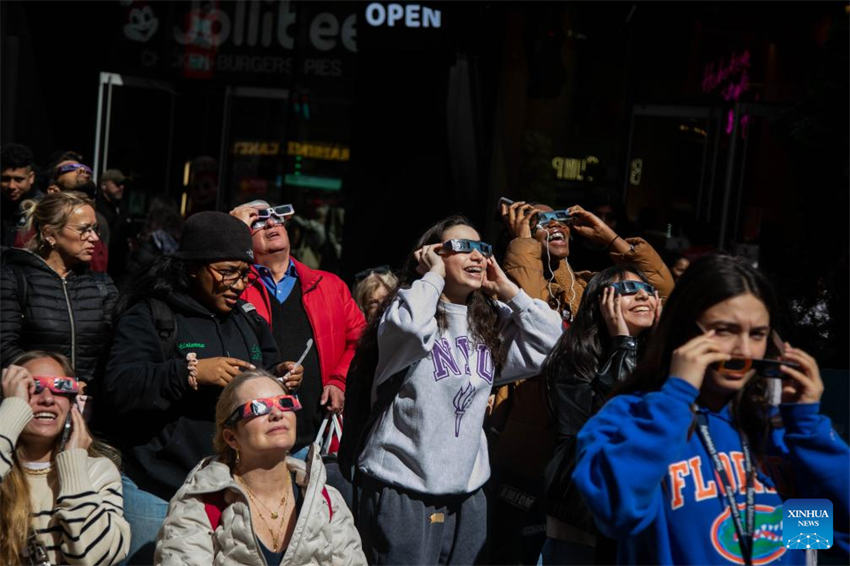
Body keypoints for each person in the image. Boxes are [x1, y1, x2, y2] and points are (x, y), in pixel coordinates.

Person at [573, 254, 850, 565]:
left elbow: (831, 538)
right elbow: (617, 511)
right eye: (724, 330)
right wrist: (676, 396)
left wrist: (809, 429)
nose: (744, 350)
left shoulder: (778, 432)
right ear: (684, 331)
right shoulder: (632, 415)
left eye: (756, 334)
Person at [353, 215, 562, 565]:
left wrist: (509, 290)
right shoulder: (407, 313)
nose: (477, 256)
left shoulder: (489, 326)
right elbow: (409, 327)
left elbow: (553, 342)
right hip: (403, 486)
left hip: (468, 490)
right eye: (462, 247)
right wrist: (431, 276)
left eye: (482, 249)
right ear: (432, 253)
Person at [99, 211, 302, 564]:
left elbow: (265, 374)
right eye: (227, 272)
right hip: (158, 489)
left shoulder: (248, 320)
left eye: (245, 274)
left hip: (225, 493)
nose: (238, 284)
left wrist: (278, 378)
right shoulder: (151, 315)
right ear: (192, 267)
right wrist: (189, 373)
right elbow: (120, 387)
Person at [486, 200, 674, 564]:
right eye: (541, 220)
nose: (555, 224)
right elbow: (534, 318)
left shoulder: (592, 285)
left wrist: (612, 240)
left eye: (561, 219)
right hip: (531, 451)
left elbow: (659, 292)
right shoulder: (507, 283)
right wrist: (525, 241)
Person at [156, 369, 366, 565]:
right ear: (231, 437)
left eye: (285, 402)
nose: (277, 413)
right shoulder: (199, 504)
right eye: (258, 407)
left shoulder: (325, 499)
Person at [541, 266, 661, 565]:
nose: (643, 295)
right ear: (601, 302)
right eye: (628, 290)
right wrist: (623, 344)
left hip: (643, 523)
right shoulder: (574, 359)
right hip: (585, 526)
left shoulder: (667, 363)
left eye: (647, 289)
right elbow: (608, 429)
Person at [230, 200, 366, 460]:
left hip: (314, 440)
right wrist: (231, 230)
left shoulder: (329, 285)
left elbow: (361, 340)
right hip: (251, 439)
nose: (271, 223)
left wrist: (339, 380)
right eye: (257, 220)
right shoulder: (232, 287)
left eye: (276, 217)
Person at [0, 350, 130, 565]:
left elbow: (92, 558)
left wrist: (74, 469)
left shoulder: (95, 470)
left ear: (72, 404)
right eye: (33, 387)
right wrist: (13, 411)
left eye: (61, 388)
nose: (48, 399)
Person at [1, 191, 118, 388]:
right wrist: (58, 385)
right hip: (34, 399)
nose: (95, 238)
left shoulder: (101, 285)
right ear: (49, 234)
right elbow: (4, 348)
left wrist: (92, 386)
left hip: (88, 403)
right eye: (85, 229)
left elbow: (115, 349)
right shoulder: (14, 278)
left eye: (95, 229)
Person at [1, 143, 42, 247]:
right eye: (5, 179)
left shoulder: (43, 209)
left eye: (18, 179)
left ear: (31, 177)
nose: (11, 186)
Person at [96, 169, 132, 281]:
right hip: (104, 266)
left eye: (122, 184)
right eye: (117, 184)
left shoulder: (121, 205)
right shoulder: (97, 207)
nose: (121, 187)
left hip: (120, 265)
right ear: (103, 186)